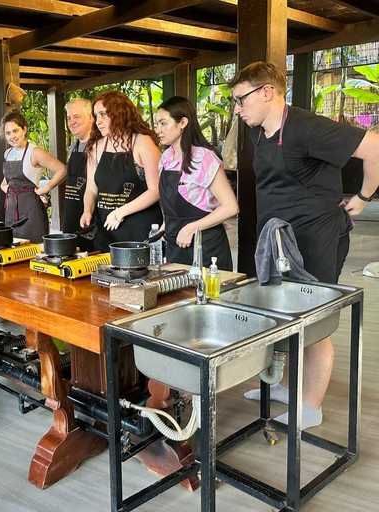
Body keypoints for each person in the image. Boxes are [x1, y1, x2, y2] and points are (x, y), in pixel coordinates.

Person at [230, 61, 379, 429]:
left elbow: (375, 149)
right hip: (281, 239)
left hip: (317, 236)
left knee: (314, 320)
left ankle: (310, 407)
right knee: (284, 314)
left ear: (267, 92)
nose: (237, 108)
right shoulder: (258, 132)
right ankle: (284, 386)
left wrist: (361, 197)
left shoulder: (308, 128)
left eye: (241, 99)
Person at [155, 96, 239, 270]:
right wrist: (165, 226)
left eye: (163, 123)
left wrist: (192, 228)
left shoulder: (203, 157)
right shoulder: (166, 158)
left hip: (206, 247)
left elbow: (231, 207)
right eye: (157, 124)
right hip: (175, 244)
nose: (158, 130)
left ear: (183, 122)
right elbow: (172, 205)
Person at [80, 91, 163, 252]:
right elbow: (91, 189)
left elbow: (156, 190)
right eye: (96, 116)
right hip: (105, 229)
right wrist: (87, 210)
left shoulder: (142, 142)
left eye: (103, 114)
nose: (98, 121)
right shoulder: (96, 146)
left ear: (120, 114)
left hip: (139, 229)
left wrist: (120, 212)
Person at [0, 110, 67, 243]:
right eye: (8, 133)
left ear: (24, 129)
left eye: (15, 131)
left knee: (34, 251)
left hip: (32, 212)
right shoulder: (8, 153)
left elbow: (62, 169)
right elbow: (5, 182)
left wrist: (46, 187)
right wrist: (6, 188)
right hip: (12, 212)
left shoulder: (35, 152)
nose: (12, 136)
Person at [63, 97, 95, 251]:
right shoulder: (73, 147)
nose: (71, 122)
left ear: (90, 118)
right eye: (69, 118)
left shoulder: (99, 145)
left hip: (92, 215)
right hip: (72, 210)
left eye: (76, 117)